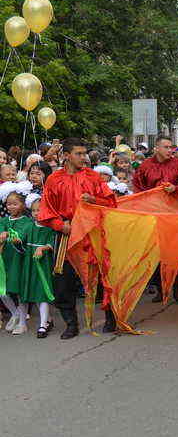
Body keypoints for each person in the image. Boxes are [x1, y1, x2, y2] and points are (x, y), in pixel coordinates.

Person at [38, 137, 118, 338]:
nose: (84, 157)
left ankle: (110, 317)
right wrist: (59, 224)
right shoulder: (54, 179)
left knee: (100, 276)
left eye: (85, 153)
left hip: (91, 234)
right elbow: (46, 209)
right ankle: (71, 324)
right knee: (64, 280)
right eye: (79, 154)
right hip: (66, 235)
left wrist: (94, 199)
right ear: (66, 156)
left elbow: (111, 203)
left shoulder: (93, 176)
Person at [20, 194, 56, 337]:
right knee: (35, 294)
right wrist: (15, 238)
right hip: (30, 264)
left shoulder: (49, 228)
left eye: (39, 210)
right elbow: (21, 239)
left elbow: (52, 243)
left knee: (42, 293)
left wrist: (43, 248)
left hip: (43, 265)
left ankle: (42, 326)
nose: (36, 213)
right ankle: (47, 320)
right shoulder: (29, 226)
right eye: (34, 210)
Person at [0, 192, 32, 334]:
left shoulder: (27, 222)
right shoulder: (3, 221)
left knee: (19, 291)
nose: (11, 206)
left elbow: (23, 237)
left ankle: (23, 323)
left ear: (23, 205)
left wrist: (12, 236)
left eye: (15, 203)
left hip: (18, 260)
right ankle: (15, 314)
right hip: (4, 260)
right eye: (8, 204)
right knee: (3, 291)